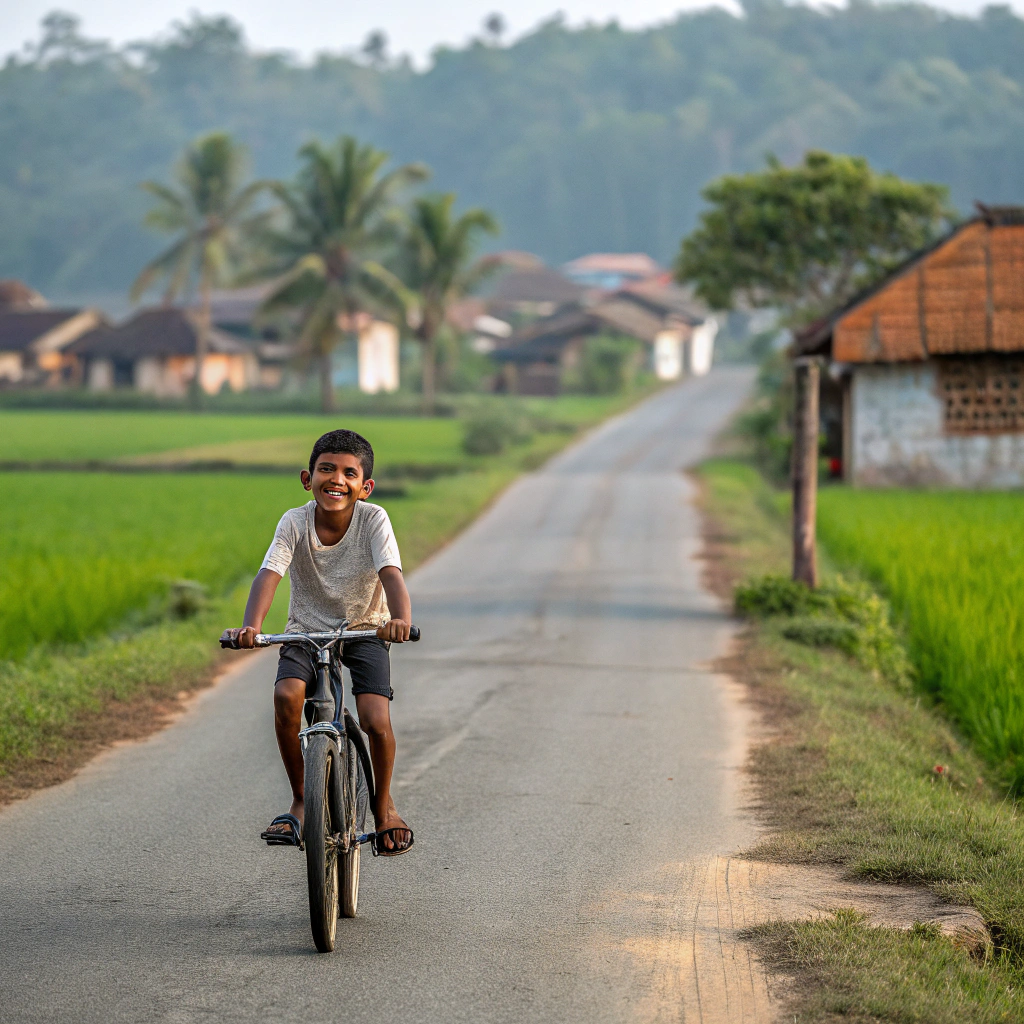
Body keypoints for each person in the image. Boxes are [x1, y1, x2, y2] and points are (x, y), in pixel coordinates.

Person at [221, 428, 414, 855]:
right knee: (288, 696)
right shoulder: (294, 521)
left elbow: (391, 575)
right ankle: (301, 801)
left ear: (365, 487)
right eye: (327, 469)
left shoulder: (374, 519)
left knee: (374, 718)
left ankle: (383, 810)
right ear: (308, 478)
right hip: (306, 631)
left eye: (349, 473)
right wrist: (250, 626)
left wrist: (400, 620)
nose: (337, 479)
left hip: (366, 628)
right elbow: (269, 573)